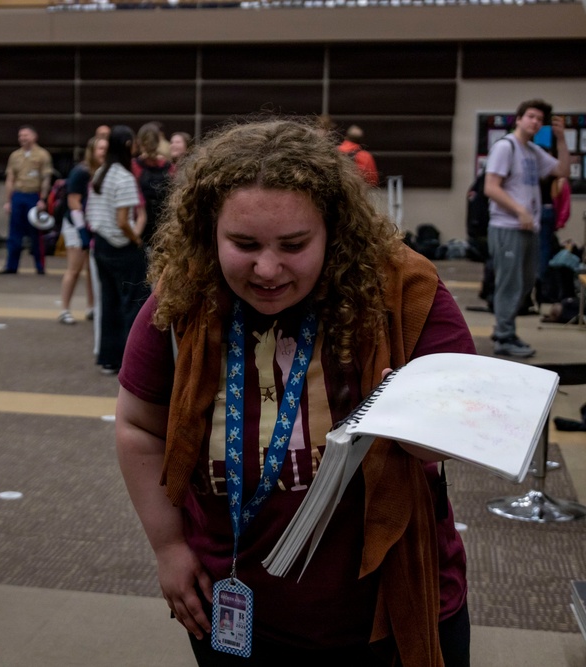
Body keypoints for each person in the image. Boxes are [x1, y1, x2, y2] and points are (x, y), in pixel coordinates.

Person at [116, 119, 471, 666]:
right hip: (232, 606)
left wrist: (425, 428)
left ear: (333, 229)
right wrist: (168, 547)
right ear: (209, 232)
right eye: (243, 244)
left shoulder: (402, 292)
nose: (267, 269)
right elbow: (139, 425)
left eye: (294, 245)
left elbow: (460, 427)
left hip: (388, 613)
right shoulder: (185, 298)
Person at [484, 99, 570, 358]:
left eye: (539, 119)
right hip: (507, 225)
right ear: (519, 118)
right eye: (531, 116)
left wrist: (561, 140)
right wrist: (519, 210)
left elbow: (563, 170)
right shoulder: (505, 147)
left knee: (525, 282)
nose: (535, 122)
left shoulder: (532, 151)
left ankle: (506, 328)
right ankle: (504, 336)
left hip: (528, 227)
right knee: (510, 283)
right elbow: (491, 187)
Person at [86, 125, 148, 375]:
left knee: (108, 301)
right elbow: (123, 221)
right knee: (133, 303)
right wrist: (137, 240)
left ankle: (109, 358)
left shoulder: (100, 173)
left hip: (100, 244)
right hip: (122, 247)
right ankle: (130, 360)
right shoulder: (124, 177)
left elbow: (93, 213)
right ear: (126, 146)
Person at [58, 135, 106, 325]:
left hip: (91, 225)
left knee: (91, 269)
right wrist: (82, 231)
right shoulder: (81, 172)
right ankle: (64, 309)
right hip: (75, 225)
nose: (104, 152)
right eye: (101, 148)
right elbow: (73, 202)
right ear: (92, 151)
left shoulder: (103, 172)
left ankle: (92, 307)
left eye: (106, 148)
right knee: (74, 268)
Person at [0, 124, 52, 275]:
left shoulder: (42, 155)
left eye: (26, 135)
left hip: (33, 196)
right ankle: (11, 266)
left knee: (36, 235)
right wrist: (8, 200)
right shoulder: (15, 156)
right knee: (14, 234)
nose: (22, 138)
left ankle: (40, 266)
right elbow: (10, 179)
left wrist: (43, 199)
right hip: (18, 195)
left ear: (34, 136)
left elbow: (46, 178)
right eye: (20, 136)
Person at [132, 122, 173, 248]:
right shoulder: (169, 166)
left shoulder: (133, 166)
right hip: (162, 224)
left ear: (139, 142)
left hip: (140, 224)